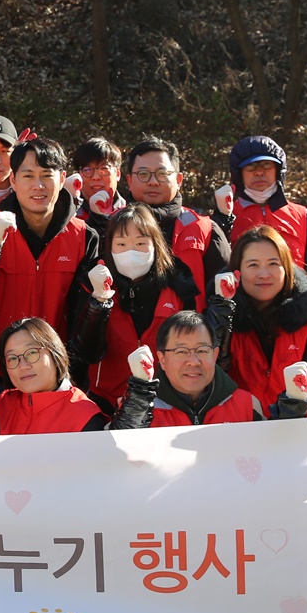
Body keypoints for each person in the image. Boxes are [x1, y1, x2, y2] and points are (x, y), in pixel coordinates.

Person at [0, 137, 99, 354]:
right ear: (13, 180)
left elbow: (83, 314)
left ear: (62, 179)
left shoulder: (84, 237)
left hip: (56, 365)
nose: (38, 186)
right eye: (28, 175)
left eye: (47, 175)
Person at [67, 204, 209, 413]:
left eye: (141, 243)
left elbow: (191, 345)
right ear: (110, 247)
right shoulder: (93, 281)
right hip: (105, 402)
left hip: (166, 402)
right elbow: (85, 353)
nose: (131, 252)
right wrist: (98, 302)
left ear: (155, 244)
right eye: (122, 244)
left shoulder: (178, 283)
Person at [222, 226, 307, 412]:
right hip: (238, 423)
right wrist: (219, 316)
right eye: (253, 265)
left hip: (295, 423)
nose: (264, 274)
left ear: (287, 268)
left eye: (273, 264)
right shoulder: (220, 314)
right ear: (237, 271)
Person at [121, 137, 230, 308]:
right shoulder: (111, 227)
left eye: (162, 174)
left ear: (179, 180)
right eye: (143, 174)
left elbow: (225, 296)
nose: (153, 181)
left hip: (189, 332)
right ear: (129, 181)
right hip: (123, 333)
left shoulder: (205, 230)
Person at [111, 310, 263, 428]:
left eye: (202, 351)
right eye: (181, 352)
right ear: (162, 359)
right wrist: (136, 404)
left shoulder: (247, 406)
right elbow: (112, 458)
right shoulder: (136, 408)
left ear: (215, 354)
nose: (193, 362)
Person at [0, 318, 106, 434]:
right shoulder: (4, 403)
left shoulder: (84, 415)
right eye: (12, 358)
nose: (23, 365)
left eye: (32, 353)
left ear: (55, 353)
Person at [220, 135, 307, 278]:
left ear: (279, 170)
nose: (259, 172)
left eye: (266, 164)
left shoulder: (304, 217)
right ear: (238, 173)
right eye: (250, 166)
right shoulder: (225, 217)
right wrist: (221, 220)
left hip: (296, 298)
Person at [71, 137, 127, 235]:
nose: (96, 177)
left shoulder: (131, 213)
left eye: (104, 169)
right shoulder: (68, 215)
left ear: (117, 173)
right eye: (87, 170)